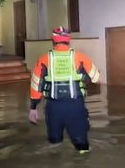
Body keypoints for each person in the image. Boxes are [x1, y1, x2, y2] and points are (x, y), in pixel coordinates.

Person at [28, 26, 100, 154]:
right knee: (82, 145)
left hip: (53, 107)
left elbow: (36, 85)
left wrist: (33, 108)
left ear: (53, 40)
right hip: (76, 106)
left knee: (55, 144)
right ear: (69, 40)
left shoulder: (44, 59)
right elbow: (95, 77)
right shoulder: (80, 57)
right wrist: (82, 78)